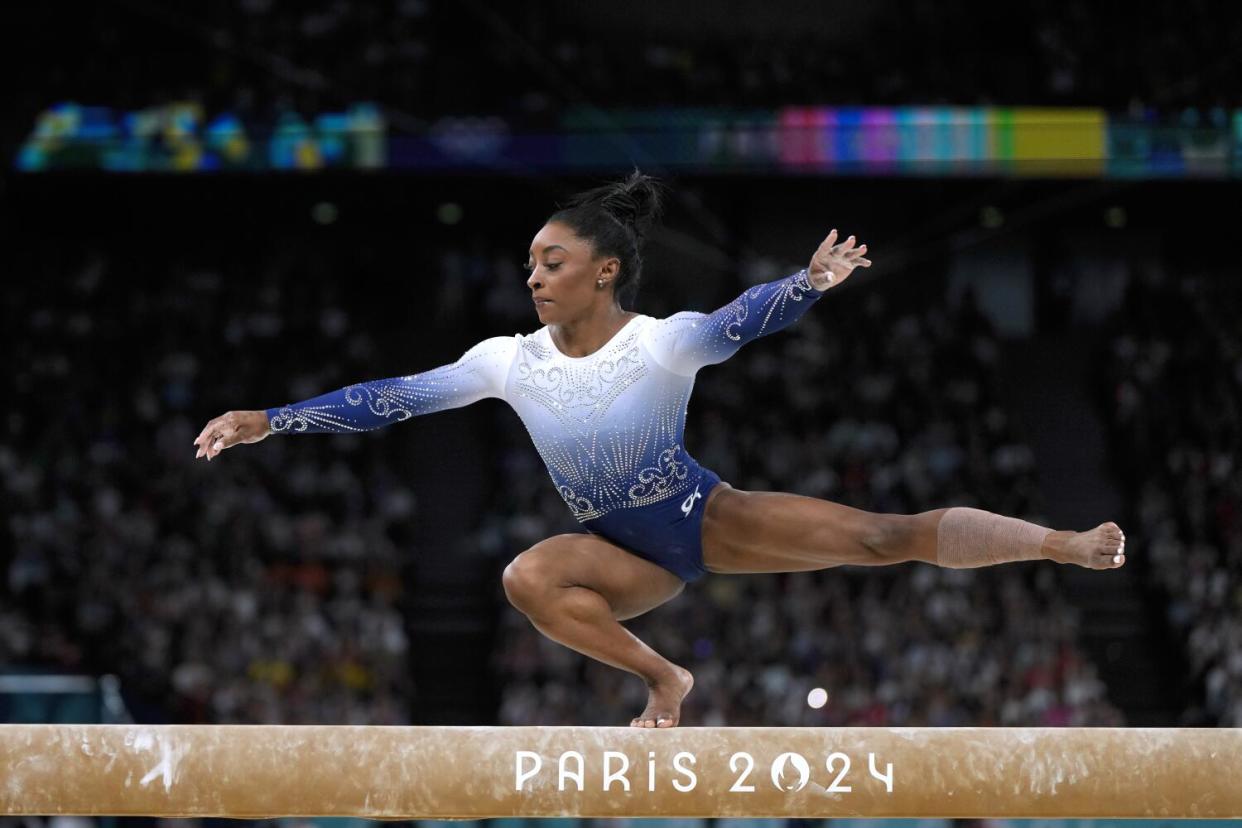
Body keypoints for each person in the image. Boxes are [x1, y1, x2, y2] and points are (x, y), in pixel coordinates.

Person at [193, 172, 1127, 728]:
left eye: (550, 262)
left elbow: (735, 321)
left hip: (698, 517)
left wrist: (806, 283)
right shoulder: (504, 361)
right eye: (527, 265)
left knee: (884, 536)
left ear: (603, 270)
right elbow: (391, 398)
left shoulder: (661, 341)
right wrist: (272, 419)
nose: (532, 277)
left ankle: (1062, 543)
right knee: (527, 578)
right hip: (617, 553)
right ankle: (664, 678)